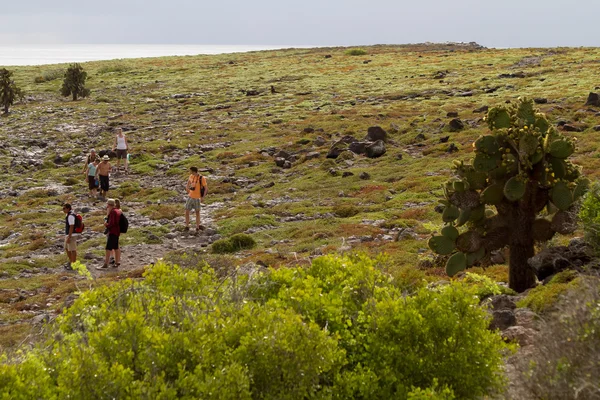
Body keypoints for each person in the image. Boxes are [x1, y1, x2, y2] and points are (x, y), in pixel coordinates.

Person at [97, 198, 121, 270]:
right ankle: (117, 262)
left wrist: (106, 225)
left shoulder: (113, 212)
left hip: (112, 232)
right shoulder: (117, 211)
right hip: (117, 232)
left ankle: (106, 264)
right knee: (116, 247)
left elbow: (112, 223)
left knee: (108, 248)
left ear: (109, 205)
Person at [185, 166, 207, 232]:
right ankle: (187, 225)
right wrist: (187, 189)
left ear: (194, 171)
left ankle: (197, 227)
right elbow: (188, 183)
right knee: (186, 211)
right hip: (190, 196)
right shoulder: (191, 176)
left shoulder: (201, 178)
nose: (190, 172)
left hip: (197, 197)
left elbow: (206, 188)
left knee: (197, 212)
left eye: (190, 171)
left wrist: (203, 197)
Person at [62, 203, 79, 270]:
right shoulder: (68, 215)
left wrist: (69, 236)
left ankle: (74, 264)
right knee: (67, 248)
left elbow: (72, 226)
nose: (63, 210)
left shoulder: (70, 216)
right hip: (68, 234)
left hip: (71, 235)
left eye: (64, 208)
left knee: (72, 250)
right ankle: (71, 261)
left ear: (68, 208)